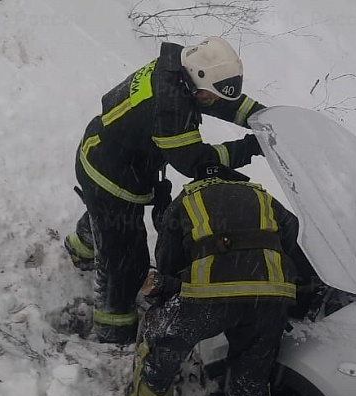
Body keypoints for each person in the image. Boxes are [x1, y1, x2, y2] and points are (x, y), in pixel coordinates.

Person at [63, 36, 266, 344]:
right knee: (125, 262)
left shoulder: (175, 68)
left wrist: (263, 117)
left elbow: (217, 98)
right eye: (208, 95)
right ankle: (113, 329)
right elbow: (196, 161)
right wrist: (251, 147)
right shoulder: (169, 108)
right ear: (194, 80)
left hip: (106, 154)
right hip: (111, 177)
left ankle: (82, 248)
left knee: (106, 219)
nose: (211, 102)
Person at [125, 162, 306, 396]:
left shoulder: (188, 198)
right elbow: (291, 227)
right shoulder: (261, 195)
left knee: (161, 342)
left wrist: (174, 286)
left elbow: (168, 260)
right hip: (271, 298)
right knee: (251, 377)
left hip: (208, 297)